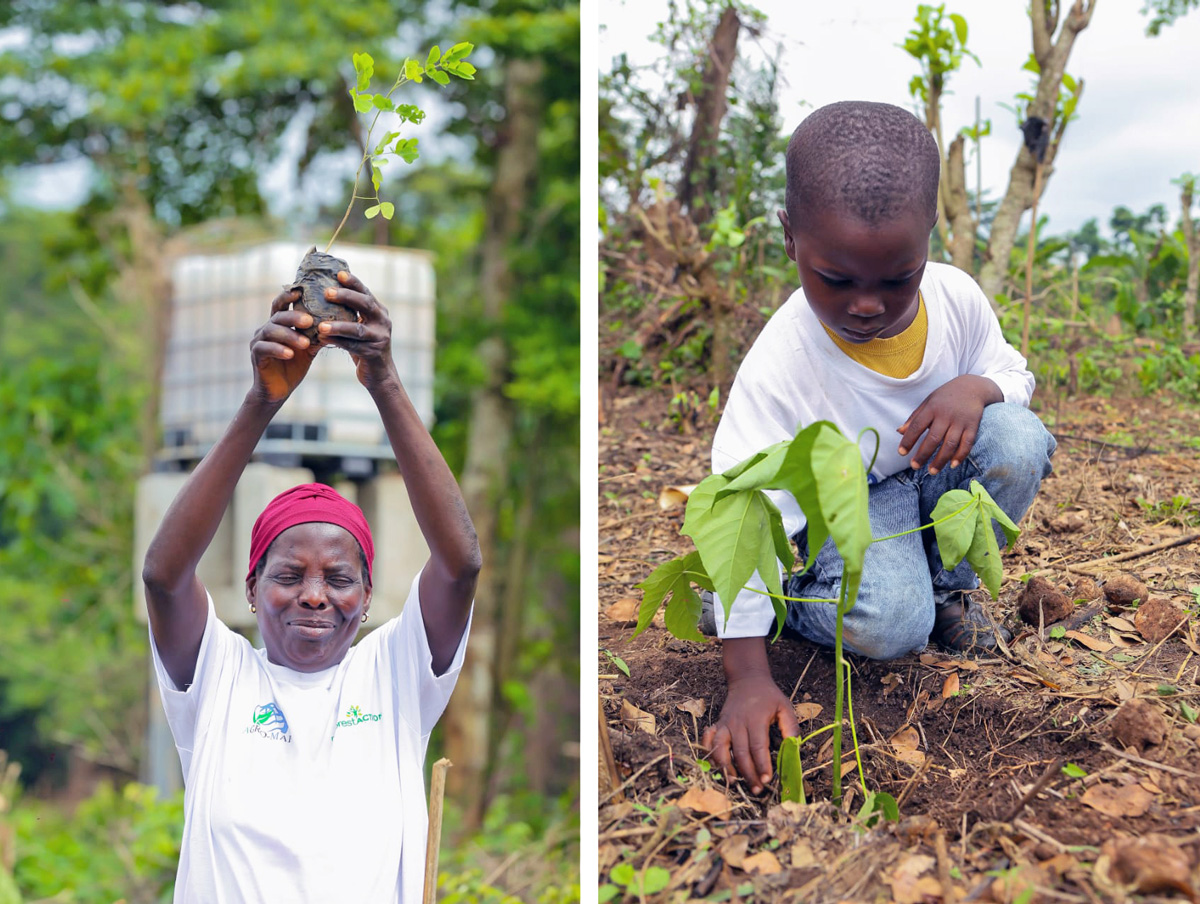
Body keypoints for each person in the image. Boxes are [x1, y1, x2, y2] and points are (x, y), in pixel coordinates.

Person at [700, 102, 1056, 794]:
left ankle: (949, 594)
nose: (868, 305)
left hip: (928, 478)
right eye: (837, 279)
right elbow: (740, 508)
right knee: (889, 627)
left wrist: (976, 388)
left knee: (1019, 434)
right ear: (790, 240)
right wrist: (746, 674)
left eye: (898, 279)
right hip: (852, 506)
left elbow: (1016, 375)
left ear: (928, 241)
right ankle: (793, 598)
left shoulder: (955, 298)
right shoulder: (783, 362)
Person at [142, 269, 481, 902]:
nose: (316, 595)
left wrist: (383, 380)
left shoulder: (394, 673)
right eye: (290, 575)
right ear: (251, 588)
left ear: (368, 594)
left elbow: (460, 564)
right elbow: (163, 578)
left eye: (339, 578)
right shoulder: (217, 678)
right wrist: (261, 403)